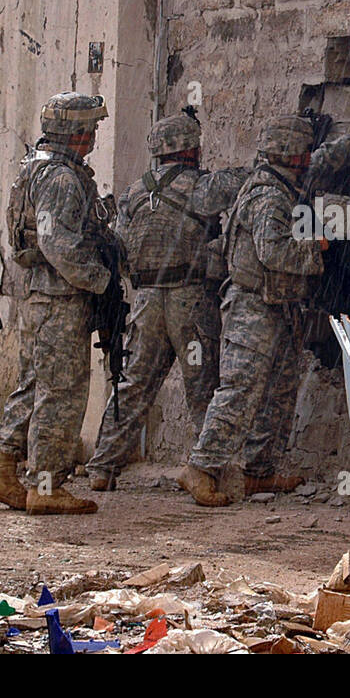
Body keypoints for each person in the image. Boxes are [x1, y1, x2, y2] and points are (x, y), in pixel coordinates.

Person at [180, 95, 350, 506]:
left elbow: (324, 158)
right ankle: (201, 468)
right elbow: (272, 252)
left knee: (278, 391)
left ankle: (260, 471)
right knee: (240, 390)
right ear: (290, 155)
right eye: (303, 151)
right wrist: (318, 246)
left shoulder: (288, 177)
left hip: (280, 306)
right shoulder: (268, 197)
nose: (309, 157)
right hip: (252, 308)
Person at [85, 110, 249, 491]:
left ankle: (102, 467)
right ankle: (207, 471)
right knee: (202, 386)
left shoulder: (133, 192)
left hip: (145, 303)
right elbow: (250, 179)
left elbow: (120, 248)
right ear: (191, 148)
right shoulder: (203, 186)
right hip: (189, 303)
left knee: (133, 384)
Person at [0, 92, 115, 515]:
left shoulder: (36, 168)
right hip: (60, 299)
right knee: (62, 391)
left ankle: (2, 470)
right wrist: (102, 281)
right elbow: (58, 243)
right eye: (88, 128)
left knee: (34, 384)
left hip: (40, 296)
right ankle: (47, 485)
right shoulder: (59, 178)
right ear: (75, 132)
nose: (92, 135)